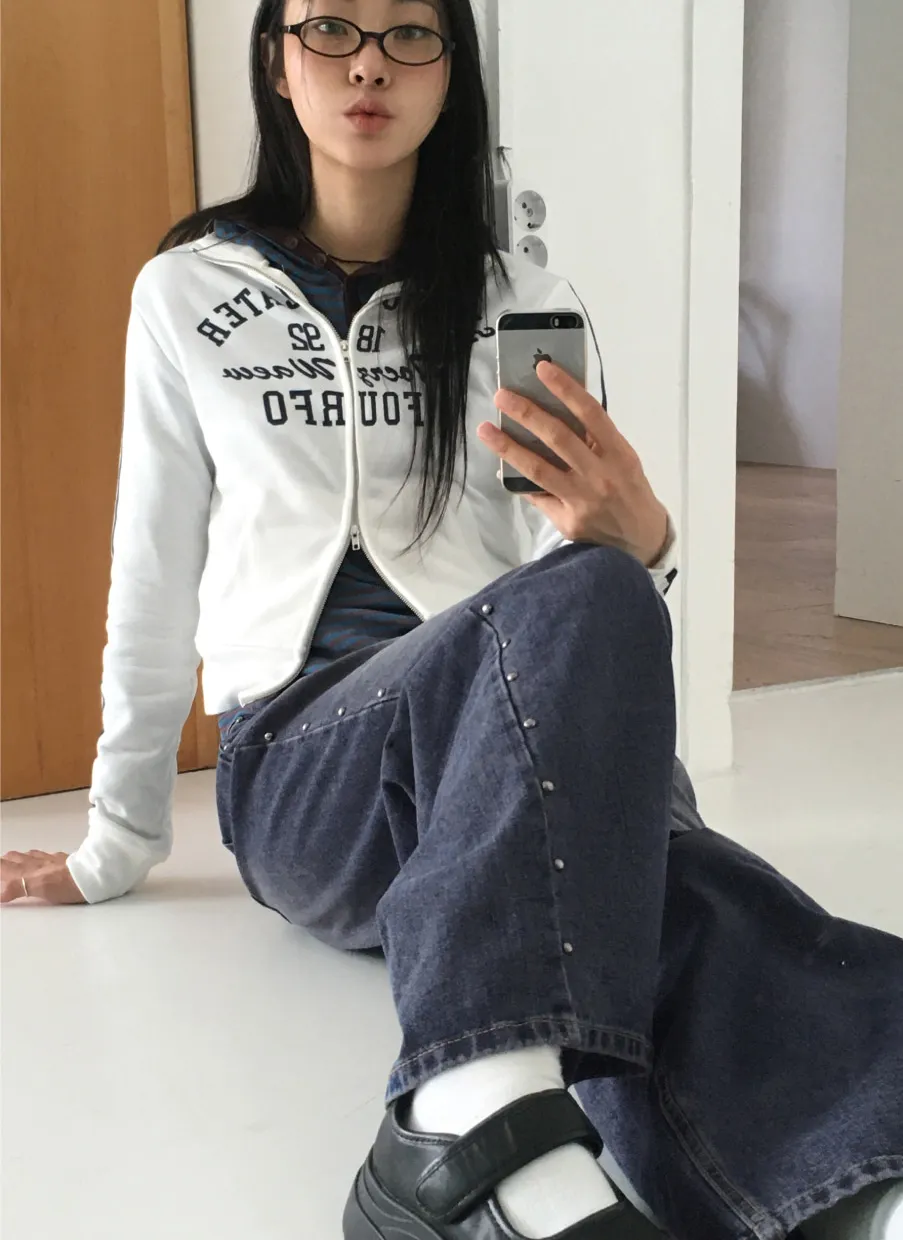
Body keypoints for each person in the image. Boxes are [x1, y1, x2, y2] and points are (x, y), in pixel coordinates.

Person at [3, 2, 902, 1237]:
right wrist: (117, 836)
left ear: (450, 73)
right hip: (310, 774)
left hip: (500, 744)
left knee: (670, 872)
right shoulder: (187, 292)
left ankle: (867, 1188)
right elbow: (153, 568)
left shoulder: (520, 300)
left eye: (411, 33)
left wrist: (646, 547)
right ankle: (465, 1109)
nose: (370, 61)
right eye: (332, 27)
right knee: (652, 856)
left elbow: (570, 603)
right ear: (276, 61)